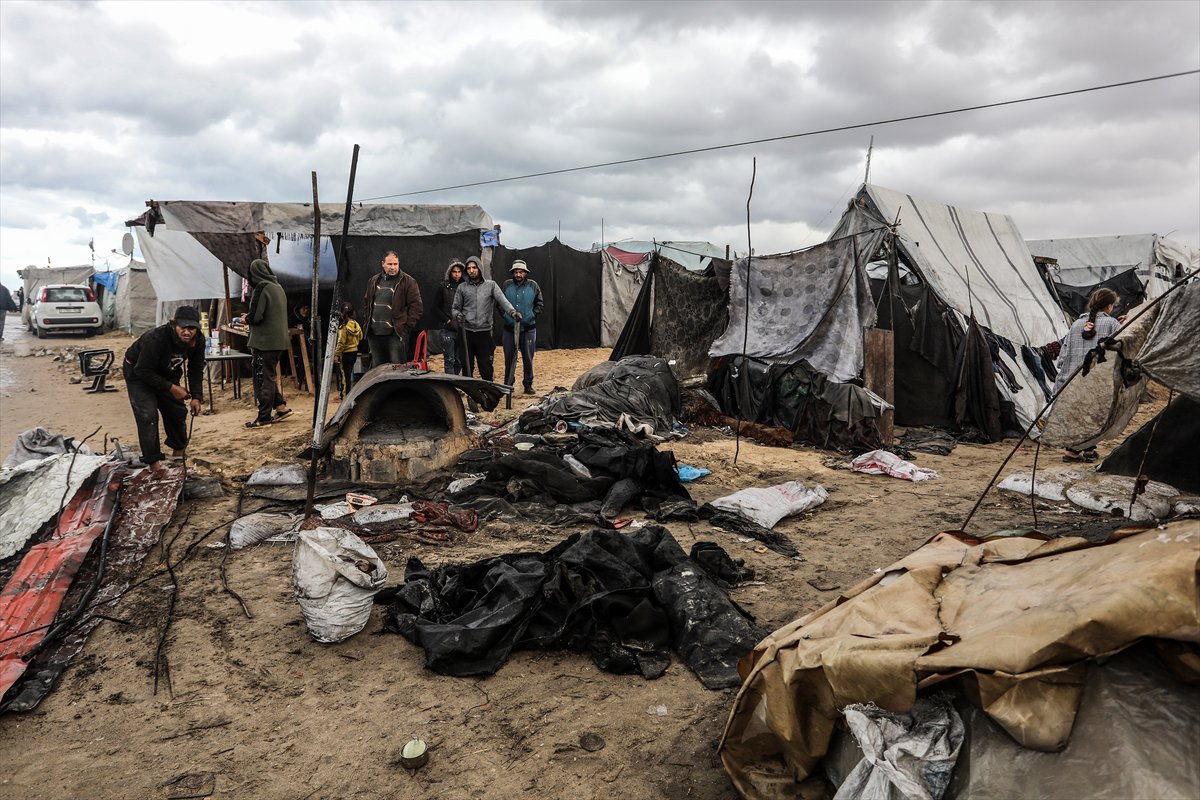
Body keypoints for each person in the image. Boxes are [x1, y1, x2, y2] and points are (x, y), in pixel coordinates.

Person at [122, 306, 205, 469]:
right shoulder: (156, 338)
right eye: (183, 327)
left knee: (177, 411)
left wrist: (196, 396)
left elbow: (196, 368)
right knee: (148, 416)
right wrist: (171, 388)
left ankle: (178, 453)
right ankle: (153, 463)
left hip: (168, 371)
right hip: (138, 373)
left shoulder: (198, 341)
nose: (187, 332)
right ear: (175, 325)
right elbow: (142, 370)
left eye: (192, 328)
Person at [1052, 287, 1122, 463]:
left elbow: (1063, 357)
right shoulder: (1112, 324)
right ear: (1109, 306)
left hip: (1072, 379)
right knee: (1094, 416)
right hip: (1097, 380)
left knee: (1078, 415)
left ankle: (1088, 450)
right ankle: (1072, 452)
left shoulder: (1076, 325)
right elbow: (1121, 349)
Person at [240, 259, 293, 429]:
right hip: (278, 342)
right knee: (269, 376)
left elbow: (256, 316)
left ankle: (263, 417)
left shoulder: (262, 287)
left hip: (264, 343)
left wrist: (245, 318)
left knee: (262, 380)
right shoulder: (278, 287)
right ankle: (281, 407)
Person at [452, 256, 520, 382]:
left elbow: (503, 301)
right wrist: (458, 315)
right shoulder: (462, 287)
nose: (471, 271)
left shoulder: (491, 286)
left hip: (484, 333)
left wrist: (513, 312)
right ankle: (471, 396)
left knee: (486, 369)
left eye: (474, 267)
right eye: (469, 268)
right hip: (466, 334)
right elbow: (455, 308)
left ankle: (488, 396)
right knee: (467, 369)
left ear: (479, 268)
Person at [362, 251, 422, 368]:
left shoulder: (408, 281)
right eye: (390, 264)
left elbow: (416, 307)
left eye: (395, 264)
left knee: (397, 370)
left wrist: (406, 327)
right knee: (378, 371)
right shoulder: (374, 281)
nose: (393, 267)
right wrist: (367, 323)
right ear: (383, 264)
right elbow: (366, 303)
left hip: (395, 334)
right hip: (374, 334)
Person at [501, 260, 545, 394]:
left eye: (520, 272)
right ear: (512, 273)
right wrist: (505, 316)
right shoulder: (507, 285)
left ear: (525, 273)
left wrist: (531, 316)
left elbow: (540, 304)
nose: (518, 274)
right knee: (509, 357)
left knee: (528, 357)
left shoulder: (533, 285)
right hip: (509, 328)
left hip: (528, 329)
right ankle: (508, 383)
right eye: (516, 272)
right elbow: (500, 303)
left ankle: (528, 384)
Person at [433, 259, 466, 374]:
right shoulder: (443, 287)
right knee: (449, 360)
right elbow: (435, 308)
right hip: (447, 329)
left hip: (462, 329)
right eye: (454, 272)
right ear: (450, 272)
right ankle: (450, 387)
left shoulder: (465, 287)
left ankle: (455, 384)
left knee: (460, 360)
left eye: (459, 272)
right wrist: (447, 320)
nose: (457, 274)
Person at [333, 302, 363, 398]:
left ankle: (346, 397)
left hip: (345, 354)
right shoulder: (356, 325)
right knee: (349, 376)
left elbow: (341, 343)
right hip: (354, 353)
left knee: (345, 378)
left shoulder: (343, 327)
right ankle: (347, 395)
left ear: (342, 314)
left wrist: (336, 354)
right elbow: (361, 337)